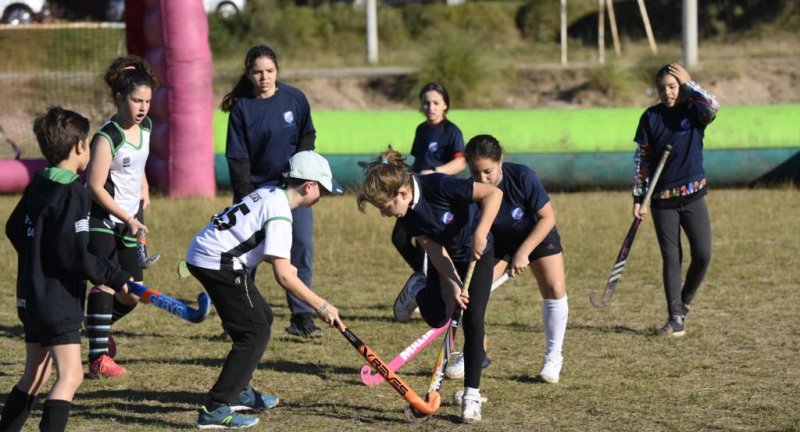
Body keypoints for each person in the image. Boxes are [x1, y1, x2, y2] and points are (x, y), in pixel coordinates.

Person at [185, 150, 343, 429]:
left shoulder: (270, 192)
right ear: (309, 186)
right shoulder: (281, 213)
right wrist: (321, 306)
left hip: (207, 254)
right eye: (323, 190)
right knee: (254, 331)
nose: (322, 198)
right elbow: (283, 277)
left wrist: (289, 268)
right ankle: (215, 407)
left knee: (262, 319)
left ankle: (240, 389)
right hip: (217, 261)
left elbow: (268, 250)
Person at [0, 107, 131, 432]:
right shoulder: (74, 191)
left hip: (31, 297)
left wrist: (38, 259)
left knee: (35, 375)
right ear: (79, 147)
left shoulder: (39, 183)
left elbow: (14, 227)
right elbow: (77, 255)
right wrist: (116, 276)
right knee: (70, 376)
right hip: (57, 301)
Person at [357, 147, 502, 423]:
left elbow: (493, 194)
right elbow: (435, 251)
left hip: (478, 253)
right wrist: (454, 284)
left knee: (472, 319)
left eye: (385, 208)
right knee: (438, 317)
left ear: (401, 193)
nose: (385, 216)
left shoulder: (439, 185)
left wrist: (481, 233)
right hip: (447, 258)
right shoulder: (409, 214)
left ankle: (471, 394)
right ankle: (418, 288)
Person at [221, 45, 327, 338]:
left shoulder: (295, 98)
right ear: (249, 73)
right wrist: (246, 198)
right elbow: (237, 157)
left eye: (269, 71)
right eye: (257, 72)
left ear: (277, 71)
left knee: (300, 250)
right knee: (245, 258)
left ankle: (302, 318)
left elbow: (308, 134)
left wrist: (301, 170)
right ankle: (236, 321)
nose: (264, 77)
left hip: (292, 192)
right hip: (255, 193)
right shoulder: (242, 107)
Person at [458, 134, 569, 385]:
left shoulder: (522, 177)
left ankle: (553, 356)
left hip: (536, 235)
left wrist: (524, 251)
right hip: (498, 245)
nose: (482, 179)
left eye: (488, 171)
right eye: (476, 173)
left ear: (501, 161)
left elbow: (547, 217)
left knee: (554, 289)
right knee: (474, 295)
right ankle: (474, 351)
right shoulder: (472, 189)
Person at [83, 55, 158, 378]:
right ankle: (98, 357)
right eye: (136, 100)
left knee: (132, 294)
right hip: (103, 219)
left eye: (147, 101)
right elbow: (94, 186)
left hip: (132, 219)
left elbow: (137, 160)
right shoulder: (107, 137)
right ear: (119, 98)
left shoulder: (148, 126)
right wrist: (126, 217)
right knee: (106, 284)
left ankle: (93, 327)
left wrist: (143, 186)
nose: (142, 108)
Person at [633, 63, 718, 337]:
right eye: (662, 88)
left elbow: (713, 108)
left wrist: (691, 84)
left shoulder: (695, 112)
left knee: (703, 254)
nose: (667, 93)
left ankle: (684, 303)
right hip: (661, 200)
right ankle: (674, 319)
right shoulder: (650, 117)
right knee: (672, 258)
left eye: (673, 87)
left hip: (693, 195)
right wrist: (638, 196)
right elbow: (642, 160)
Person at [392, 82, 466, 291]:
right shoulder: (422, 129)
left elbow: (460, 162)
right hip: (414, 191)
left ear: (445, 105)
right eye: (426, 103)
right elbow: (419, 161)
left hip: (436, 194)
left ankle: (437, 284)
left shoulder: (452, 131)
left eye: (435, 102)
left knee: (428, 243)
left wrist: (434, 173)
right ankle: (423, 279)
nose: (430, 107)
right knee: (400, 238)